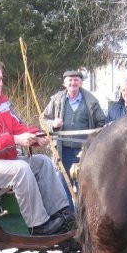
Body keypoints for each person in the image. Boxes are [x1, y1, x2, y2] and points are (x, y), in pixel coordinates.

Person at [0, 56, 71, 235]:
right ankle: (38, 225)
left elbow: (18, 126)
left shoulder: (2, 102)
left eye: (1, 79)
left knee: (43, 162)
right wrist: (15, 140)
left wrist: (36, 135)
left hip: (2, 161)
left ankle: (62, 213)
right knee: (21, 169)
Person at [42, 70, 105, 207]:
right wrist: (52, 124)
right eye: (70, 80)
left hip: (85, 152)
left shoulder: (91, 102)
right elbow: (43, 120)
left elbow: (102, 123)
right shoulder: (56, 100)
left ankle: (85, 214)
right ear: (64, 83)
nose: (73, 82)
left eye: (76, 80)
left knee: (85, 184)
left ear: (81, 83)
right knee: (64, 185)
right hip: (63, 151)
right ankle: (70, 217)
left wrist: (94, 141)